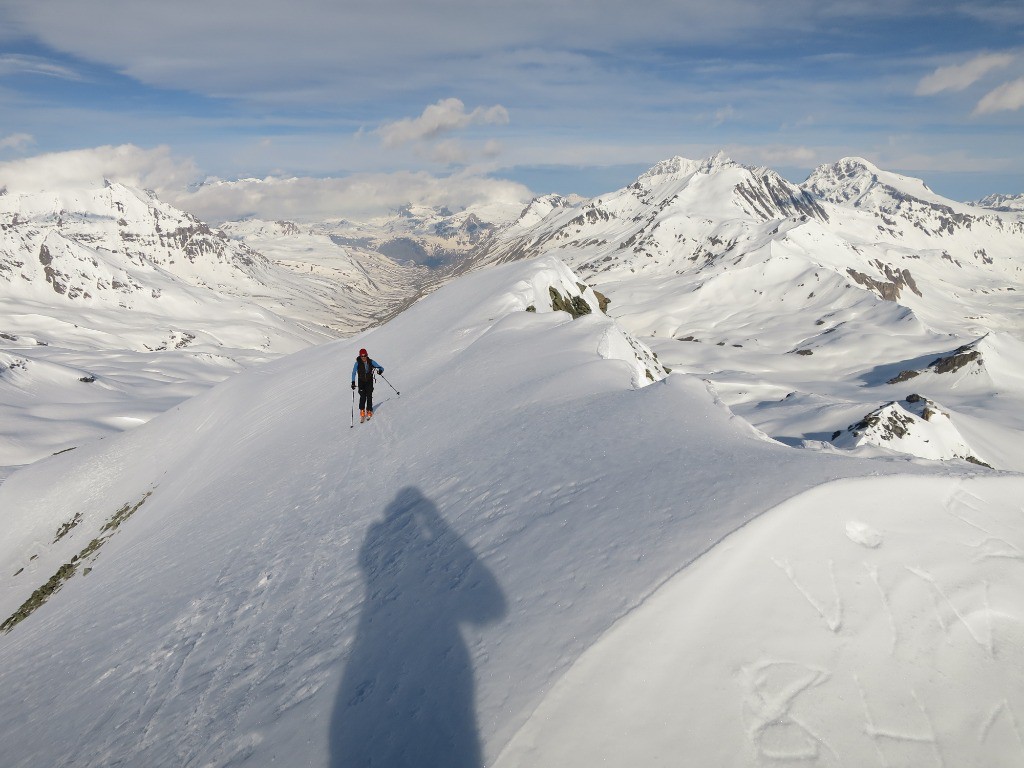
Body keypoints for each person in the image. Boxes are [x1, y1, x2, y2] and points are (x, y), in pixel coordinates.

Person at [351, 348, 384, 422]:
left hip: (369, 381)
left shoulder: (371, 361)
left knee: (369, 395)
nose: (363, 357)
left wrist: (380, 371)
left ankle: (369, 410)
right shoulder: (357, 363)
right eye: (362, 356)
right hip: (361, 381)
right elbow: (353, 373)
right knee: (362, 396)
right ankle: (362, 411)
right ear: (360, 356)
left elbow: (381, 368)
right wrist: (353, 382)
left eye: (365, 355)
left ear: (367, 355)